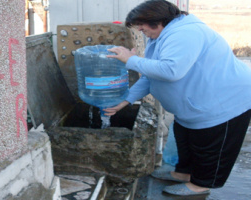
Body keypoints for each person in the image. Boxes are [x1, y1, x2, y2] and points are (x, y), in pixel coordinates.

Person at [104, 0, 251, 196]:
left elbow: (171, 71)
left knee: (211, 145)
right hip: (196, 103)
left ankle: (201, 184)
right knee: (187, 138)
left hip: (224, 101)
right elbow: (151, 75)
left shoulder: (186, 34)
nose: (140, 30)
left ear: (157, 20)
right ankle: (184, 174)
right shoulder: (160, 36)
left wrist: (131, 60)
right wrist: (126, 100)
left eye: (142, 24)